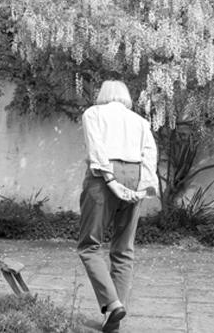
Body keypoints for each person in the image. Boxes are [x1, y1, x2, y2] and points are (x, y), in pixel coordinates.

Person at [78, 80, 158, 333]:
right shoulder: (139, 121)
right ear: (125, 96)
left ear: (102, 95)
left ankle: (112, 305)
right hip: (135, 172)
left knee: (89, 245)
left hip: (104, 173)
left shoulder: (93, 113)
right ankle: (114, 322)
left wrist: (110, 178)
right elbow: (150, 154)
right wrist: (143, 186)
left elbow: (96, 148)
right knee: (124, 248)